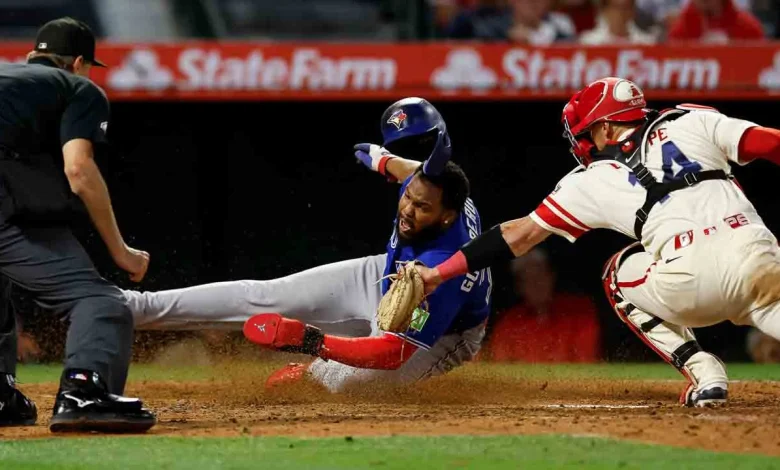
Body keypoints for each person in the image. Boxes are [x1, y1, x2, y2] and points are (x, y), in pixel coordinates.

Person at [415, 76, 780, 407]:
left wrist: (438, 273)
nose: (585, 142)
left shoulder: (591, 178)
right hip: (756, 258)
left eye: (588, 132)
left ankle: (704, 372)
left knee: (617, 275)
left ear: (606, 126)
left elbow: (517, 235)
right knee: (765, 297)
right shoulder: (691, 119)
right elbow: (771, 142)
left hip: (689, 283)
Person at [123, 98, 493, 393]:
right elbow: (411, 171)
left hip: (440, 330)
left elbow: (392, 353)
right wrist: (384, 161)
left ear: (447, 216)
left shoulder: (444, 268)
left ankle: (313, 374)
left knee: (336, 388)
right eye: (408, 196)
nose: (409, 209)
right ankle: (134, 307)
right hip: (385, 273)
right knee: (265, 295)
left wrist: (312, 341)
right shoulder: (433, 185)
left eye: (422, 207)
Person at [0, 17, 155, 432]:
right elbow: (79, 170)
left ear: (32, 55)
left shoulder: (11, 81)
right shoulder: (77, 87)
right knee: (100, 301)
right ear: (79, 63)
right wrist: (121, 251)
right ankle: (84, 393)